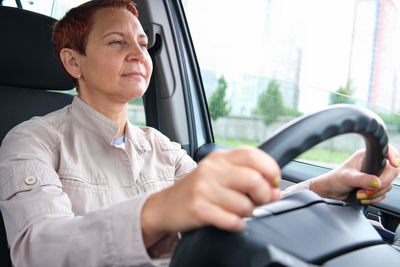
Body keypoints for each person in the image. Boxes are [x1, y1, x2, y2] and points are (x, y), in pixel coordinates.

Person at [0, 0, 398, 266]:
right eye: (117, 41)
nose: (139, 54)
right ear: (73, 62)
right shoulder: (31, 141)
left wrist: (325, 185)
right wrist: (159, 211)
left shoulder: (160, 145)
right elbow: (37, 250)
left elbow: (235, 207)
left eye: (142, 43)